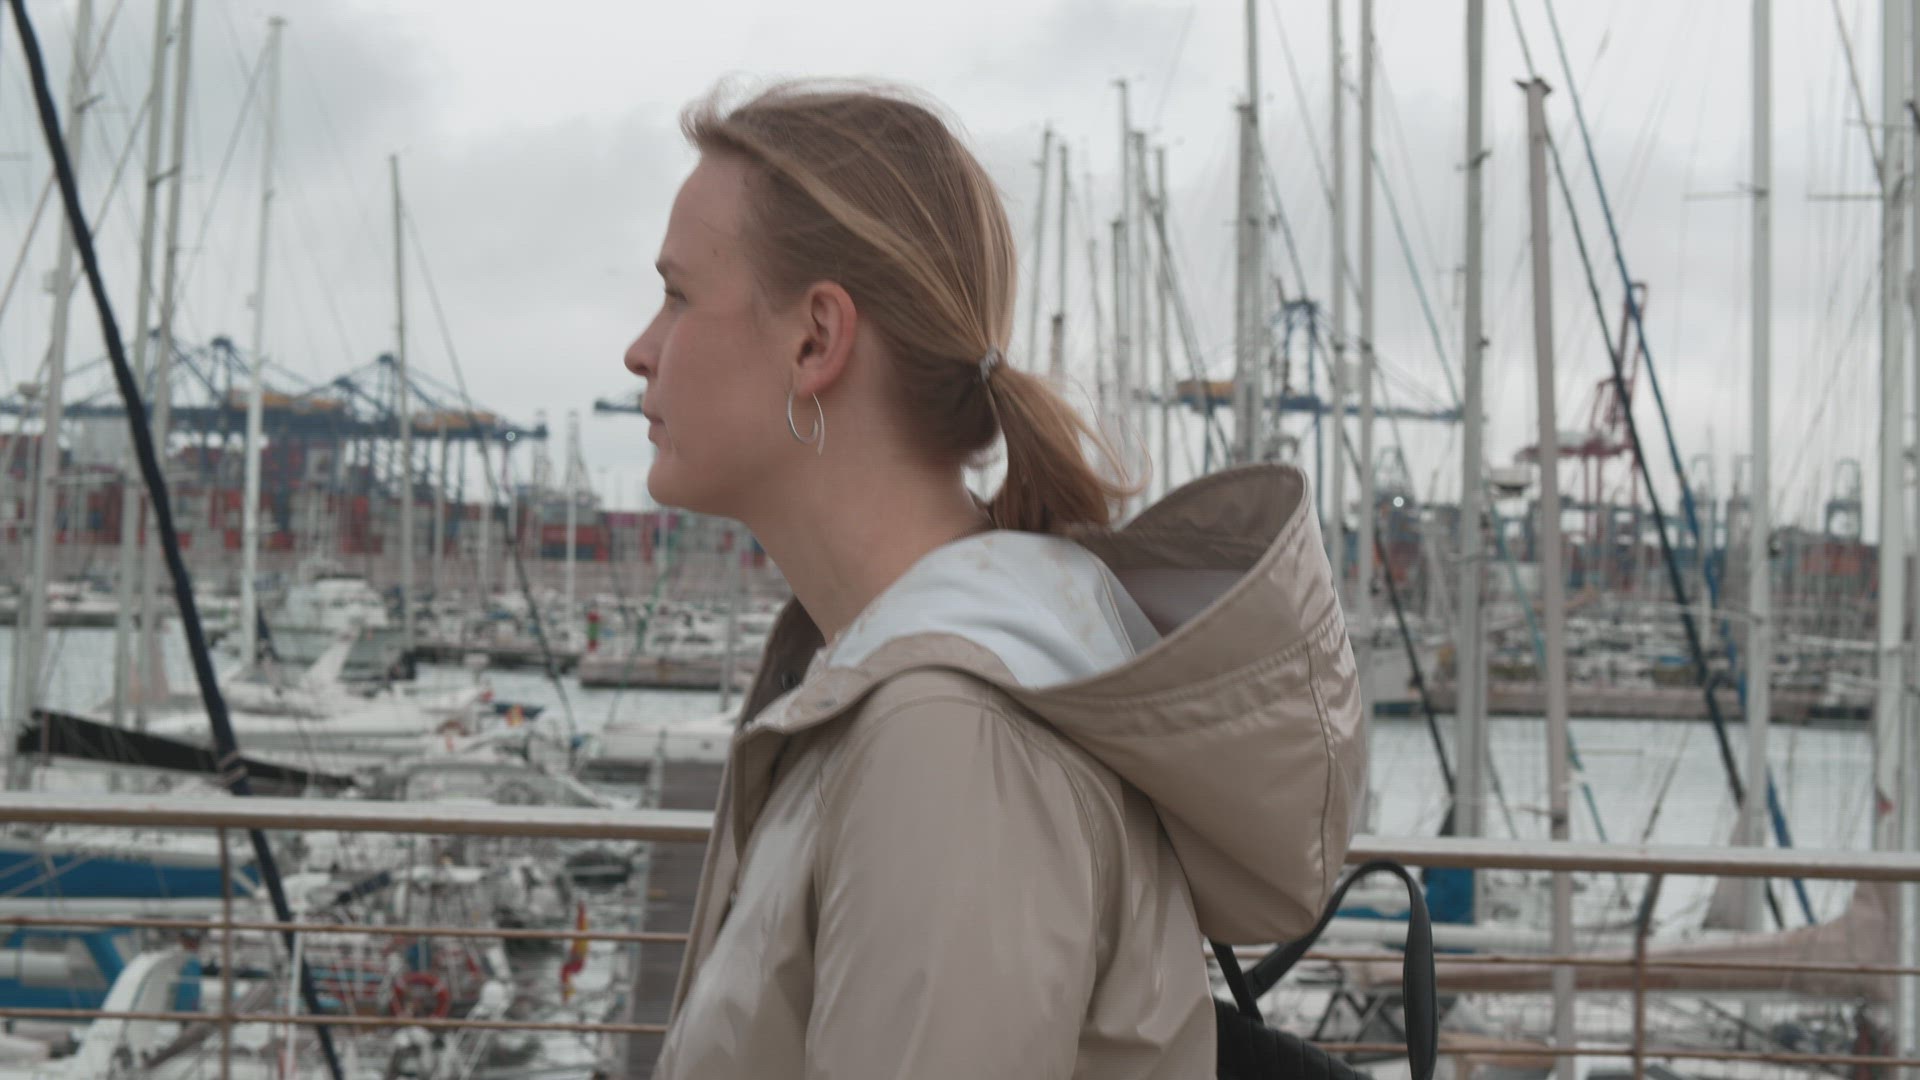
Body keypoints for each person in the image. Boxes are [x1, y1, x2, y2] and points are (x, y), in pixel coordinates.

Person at [624, 79, 1366, 1080]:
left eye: (677, 295)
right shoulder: (904, 685)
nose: (641, 350)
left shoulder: (947, 740)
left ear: (816, 340)